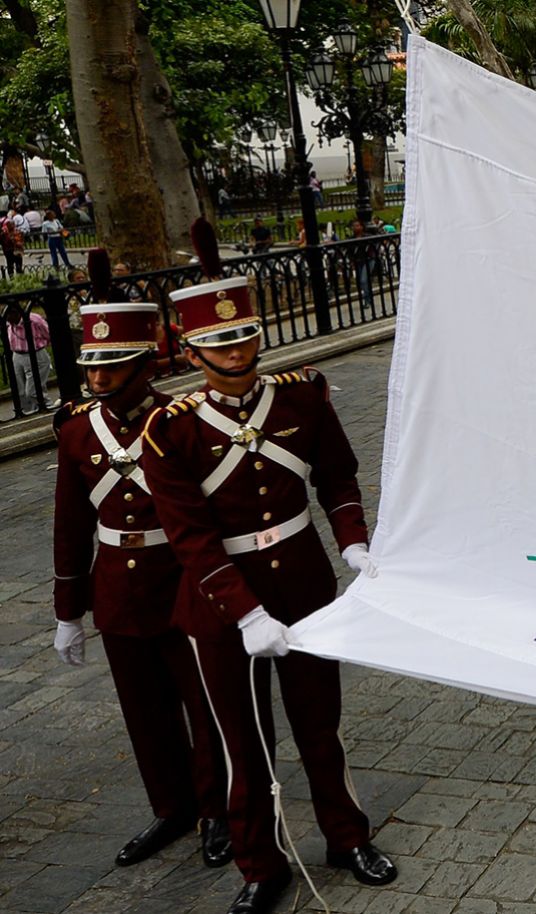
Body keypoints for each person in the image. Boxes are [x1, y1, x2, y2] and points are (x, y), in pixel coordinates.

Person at [142, 219, 397, 914]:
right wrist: (247, 612)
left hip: (307, 585)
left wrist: (353, 542)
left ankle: (346, 837)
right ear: (193, 348)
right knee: (241, 745)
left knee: (322, 726)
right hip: (220, 608)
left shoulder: (302, 394)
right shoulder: (171, 429)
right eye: (221, 341)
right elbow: (188, 537)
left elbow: (338, 478)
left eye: (246, 335)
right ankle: (261, 864)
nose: (238, 350)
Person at [51, 249, 231, 871]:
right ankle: (171, 807)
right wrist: (68, 610)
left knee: (203, 705)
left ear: (145, 363)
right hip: (117, 589)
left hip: (182, 582)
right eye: (93, 368)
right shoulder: (75, 430)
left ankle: (218, 810)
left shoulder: (177, 421)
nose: (98, 380)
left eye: (113, 367)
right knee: (144, 709)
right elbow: (71, 523)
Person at [4, 300, 55, 414]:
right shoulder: (9, 323)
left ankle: (48, 407)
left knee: (33, 390)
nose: (6, 318)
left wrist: (42, 344)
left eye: (8, 315)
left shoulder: (33, 320)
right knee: (20, 390)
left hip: (36, 353)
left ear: (16, 314)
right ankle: (30, 412)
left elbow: (48, 333)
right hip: (17, 355)